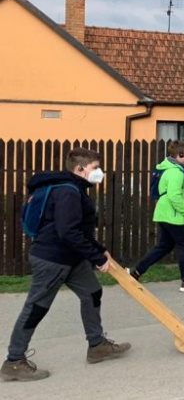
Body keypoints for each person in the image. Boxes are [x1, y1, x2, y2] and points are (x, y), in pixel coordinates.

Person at [3, 148, 131, 382]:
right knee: (36, 308)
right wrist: (97, 258)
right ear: (79, 169)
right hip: (52, 259)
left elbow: (79, 229)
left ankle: (96, 346)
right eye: (95, 168)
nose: (99, 172)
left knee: (92, 292)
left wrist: (99, 248)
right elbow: (67, 232)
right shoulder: (68, 192)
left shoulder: (75, 190)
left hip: (71, 259)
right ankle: (13, 361)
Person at [130, 140, 184, 292]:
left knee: (164, 246)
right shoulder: (175, 172)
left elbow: (182, 195)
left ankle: (137, 272)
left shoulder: (172, 168)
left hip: (164, 214)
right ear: (179, 154)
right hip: (173, 216)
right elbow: (174, 197)